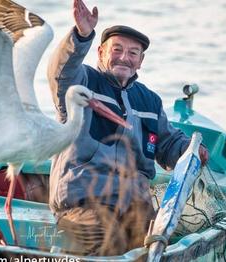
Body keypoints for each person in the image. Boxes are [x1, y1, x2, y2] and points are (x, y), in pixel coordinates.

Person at [47, 0, 209, 256]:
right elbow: (60, 72)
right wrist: (81, 36)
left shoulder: (150, 100)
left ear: (141, 61)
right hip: (86, 206)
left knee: (156, 248)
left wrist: (190, 150)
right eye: (117, 49)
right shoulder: (82, 82)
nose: (124, 57)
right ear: (100, 52)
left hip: (136, 206)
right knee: (104, 246)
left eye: (133, 53)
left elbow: (167, 144)